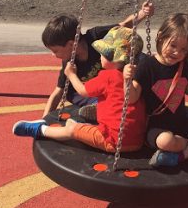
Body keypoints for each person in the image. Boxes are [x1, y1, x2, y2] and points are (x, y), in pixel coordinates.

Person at [13, 26, 147, 153]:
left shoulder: (108, 76)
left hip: (113, 141)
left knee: (71, 130)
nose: (100, 56)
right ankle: (95, 112)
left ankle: (39, 130)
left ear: (113, 58)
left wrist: (71, 75)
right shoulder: (133, 78)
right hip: (137, 141)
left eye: (103, 54)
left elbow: (82, 90)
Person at [124, 13, 188, 167]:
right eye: (173, 46)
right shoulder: (147, 66)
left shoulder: (185, 65)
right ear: (160, 37)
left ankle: (180, 156)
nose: (177, 53)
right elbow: (131, 98)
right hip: (156, 127)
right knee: (165, 141)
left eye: (184, 49)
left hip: (181, 121)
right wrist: (127, 80)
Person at [40, 0, 154, 117]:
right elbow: (59, 91)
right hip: (88, 92)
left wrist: (143, 13)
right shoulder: (69, 64)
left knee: (138, 58)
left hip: (108, 85)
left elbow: (123, 26)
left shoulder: (95, 35)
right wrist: (44, 119)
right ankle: (96, 107)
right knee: (73, 92)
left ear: (71, 44)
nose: (53, 55)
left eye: (55, 51)